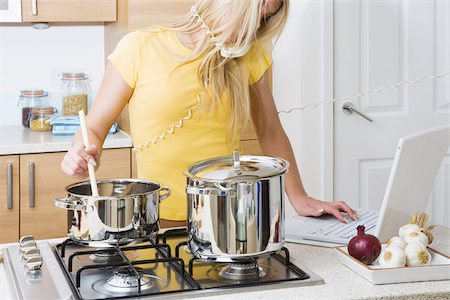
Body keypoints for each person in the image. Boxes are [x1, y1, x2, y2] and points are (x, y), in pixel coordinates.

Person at [61, 0, 357, 227]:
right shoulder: (140, 47)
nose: (257, 27)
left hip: (227, 218)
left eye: (266, 19)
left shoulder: (252, 57)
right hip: (156, 216)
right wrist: (80, 151)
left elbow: (270, 130)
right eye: (256, 14)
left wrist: (299, 197)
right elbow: (95, 126)